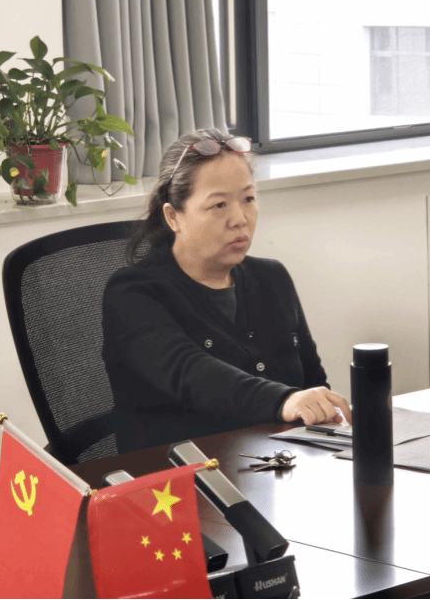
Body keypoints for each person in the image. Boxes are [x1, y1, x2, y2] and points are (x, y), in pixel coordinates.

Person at [102, 128, 351, 452]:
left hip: (278, 464)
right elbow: (191, 373)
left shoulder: (272, 278)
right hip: (178, 473)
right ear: (173, 216)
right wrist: (283, 401)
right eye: (219, 205)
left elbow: (312, 383)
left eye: (248, 199)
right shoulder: (132, 294)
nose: (239, 219)